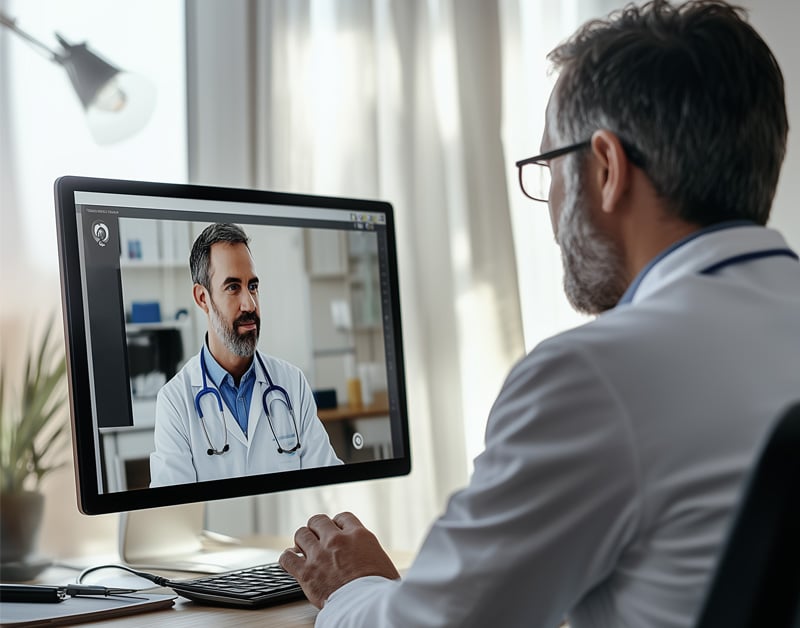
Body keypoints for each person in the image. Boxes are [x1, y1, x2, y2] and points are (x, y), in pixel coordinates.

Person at [278, 1, 800, 626]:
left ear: (606, 169)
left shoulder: (596, 378)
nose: (551, 208)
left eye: (550, 168)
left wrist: (350, 586)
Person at [150, 223, 342, 487]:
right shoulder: (174, 402)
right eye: (232, 287)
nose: (250, 304)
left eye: (252, 286)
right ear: (202, 298)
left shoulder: (292, 383)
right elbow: (174, 507)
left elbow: (329, 484)